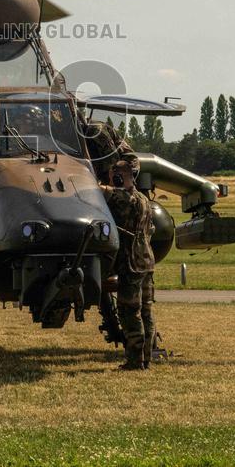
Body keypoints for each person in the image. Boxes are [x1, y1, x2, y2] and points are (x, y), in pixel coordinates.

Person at [86, 121, 156, 370]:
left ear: (118, 177)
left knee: (130, 311)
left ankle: (135, 360)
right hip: (147, 261)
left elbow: (95, 189)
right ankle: (147, 358)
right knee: (146, 311)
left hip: (130, 263)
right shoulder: (144, 201)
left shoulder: (121, 198)